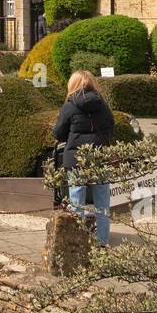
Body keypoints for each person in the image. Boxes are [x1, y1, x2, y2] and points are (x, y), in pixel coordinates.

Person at [51, 70, 114, 246]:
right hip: (98, 155)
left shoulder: (69, 105)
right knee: (102, 201)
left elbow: (58, 132)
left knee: (76, 201)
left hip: (76, 158)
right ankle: (102, 242)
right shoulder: (101, 103)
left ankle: (78, 242)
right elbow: (111, 124)